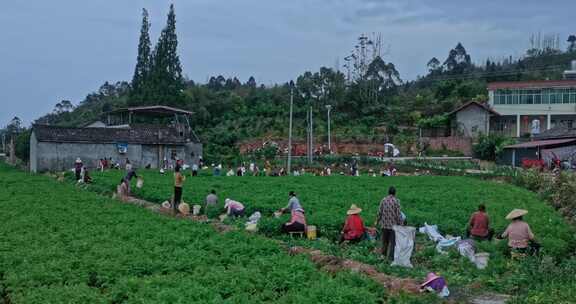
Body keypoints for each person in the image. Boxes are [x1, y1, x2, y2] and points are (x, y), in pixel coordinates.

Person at [376, 186, 403, 260]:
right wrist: (401, 224)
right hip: (393, 226)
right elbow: (398, 214)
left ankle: (383, 256)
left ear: (388, 192)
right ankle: (391, 258)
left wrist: (377, 221)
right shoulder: (396, 201)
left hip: (384, 225)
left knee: (384, 241)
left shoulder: (383, 200)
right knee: (392, 243)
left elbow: (379, 212)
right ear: (395, 193)